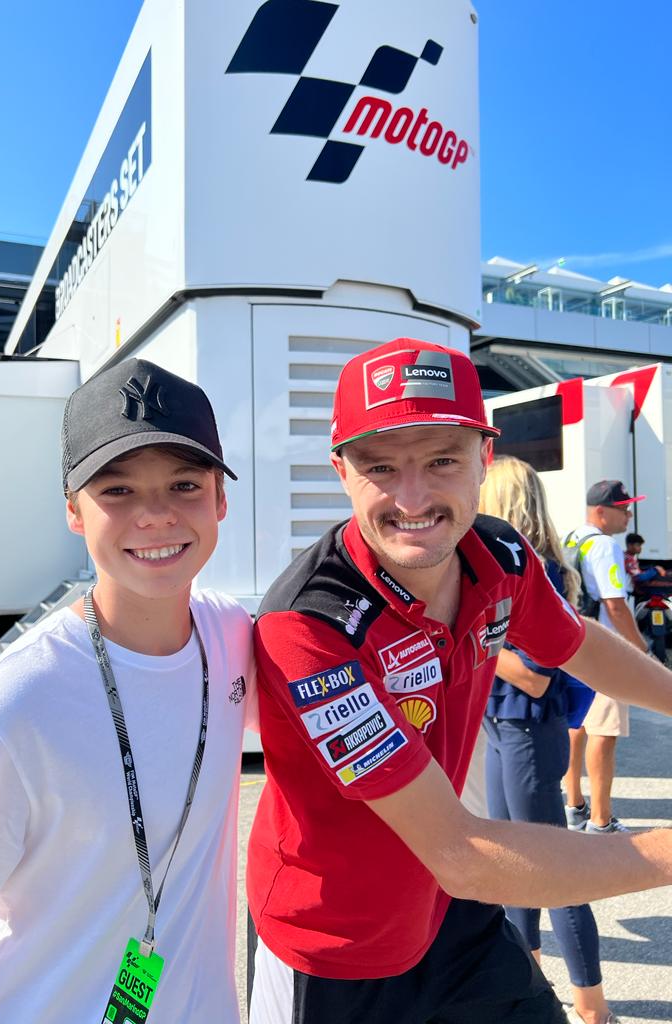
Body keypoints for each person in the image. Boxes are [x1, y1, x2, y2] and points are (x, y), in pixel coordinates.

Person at [246, 337, 672, 1024]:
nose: (412, 497)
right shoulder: (310, 624)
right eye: (380, 466)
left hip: (452, 913)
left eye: (442, 459)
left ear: (484, 457)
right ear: (341, 472)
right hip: (336, 948)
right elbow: (459, 851)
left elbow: (576, 644)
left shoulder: (499, 553)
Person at [0, 358, 256, 1023]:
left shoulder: (232, 635)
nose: (155, 515)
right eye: (117, 490)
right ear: (73, 510)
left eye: (184, 484)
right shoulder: (15, 706)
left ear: (221, 500)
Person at [479, 456, 615, 1024]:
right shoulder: (497, 570)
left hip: (529, 728)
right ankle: (529, 986)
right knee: (511, 862)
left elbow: (535, 675)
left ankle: (591, 1004)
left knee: (554, 868)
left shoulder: (543, 574)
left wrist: (471, 638)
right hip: (501, 725)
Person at [562, 481, 647, 835]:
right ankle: (601, 820)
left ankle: (574, 806)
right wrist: (640, 650)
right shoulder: (605, 546)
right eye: (623, 509)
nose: (629, 515)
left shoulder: (572, 538)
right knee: (605, 730)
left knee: (577, 725)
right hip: (605, 649)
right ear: (601, 511)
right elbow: (616, 605)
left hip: (575, 643)